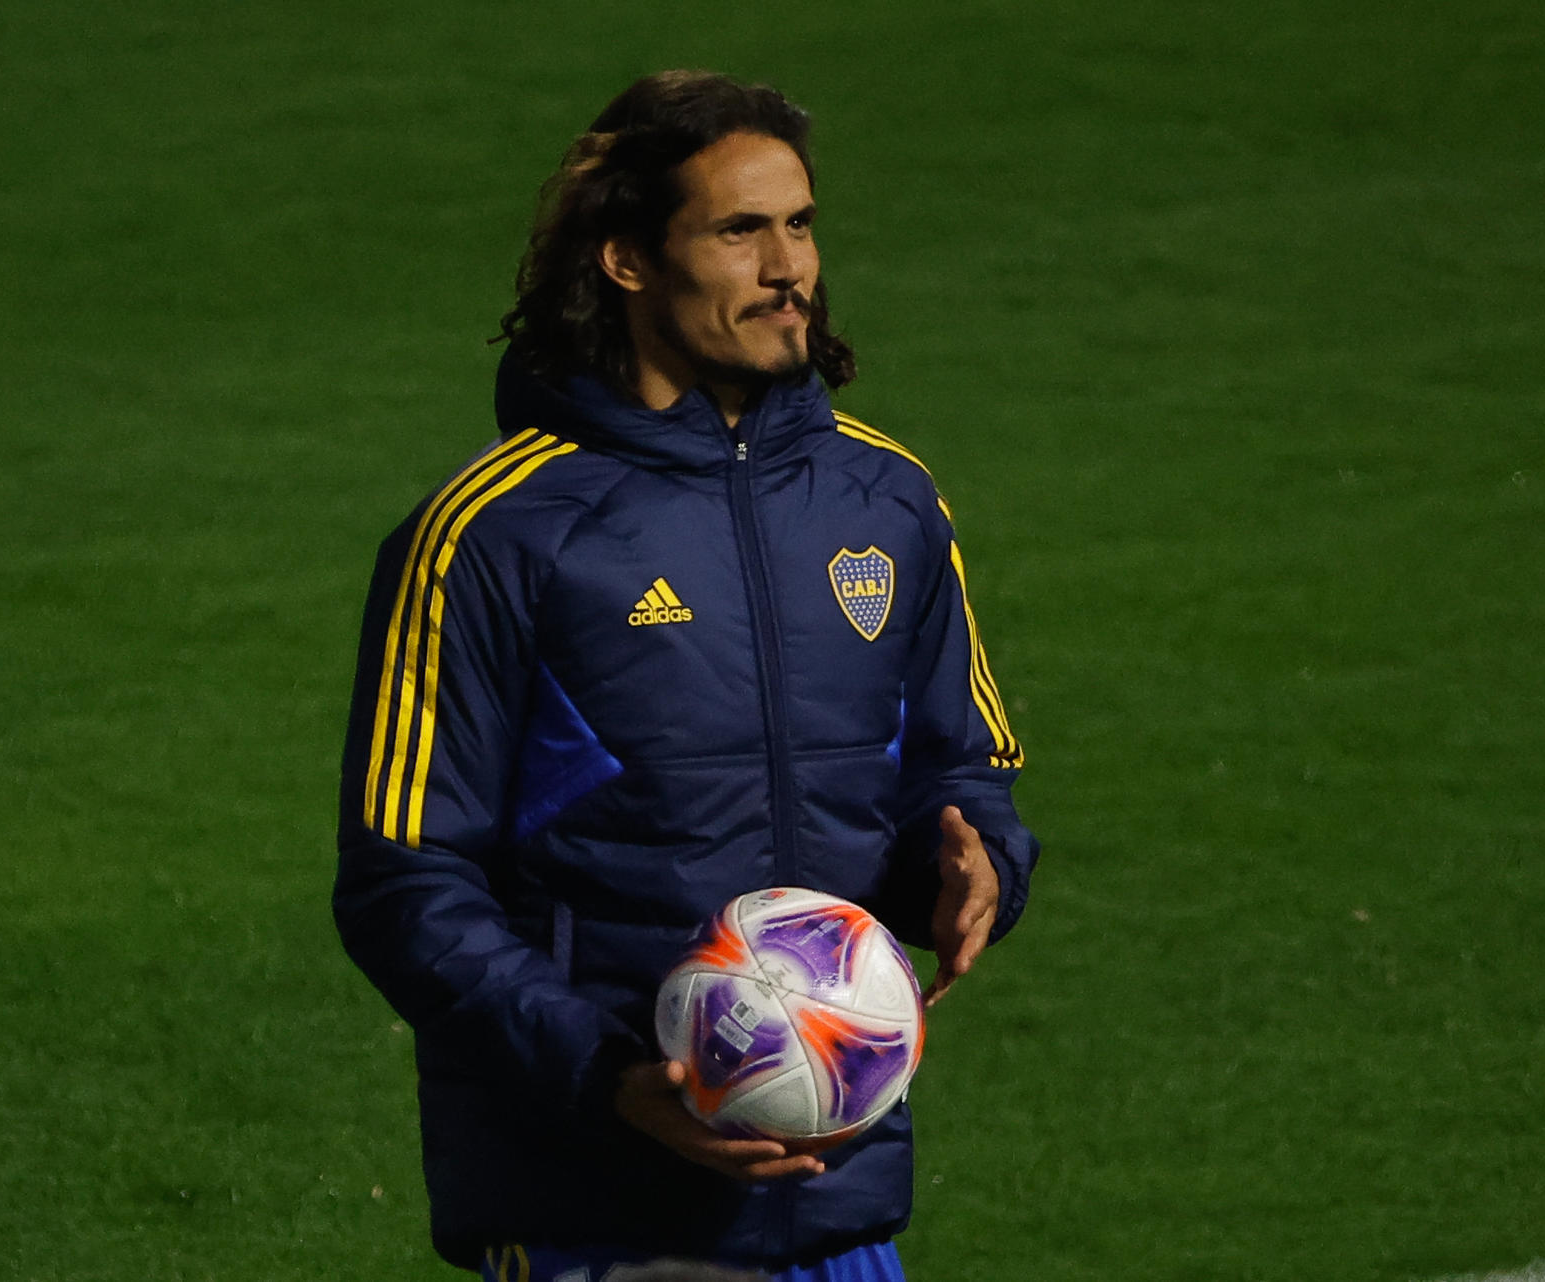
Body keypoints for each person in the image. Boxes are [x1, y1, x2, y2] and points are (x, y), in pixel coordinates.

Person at [333, 70, 1039, 1281]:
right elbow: (407, 883)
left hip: (841, 1202)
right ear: (626, 262)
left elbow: (956, 770)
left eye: (802, 223)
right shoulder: (496, 536)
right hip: (597, 1210)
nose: (790, 270)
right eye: (739, 230)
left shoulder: (889, 500)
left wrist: (973, 870)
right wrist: (616, 1081)